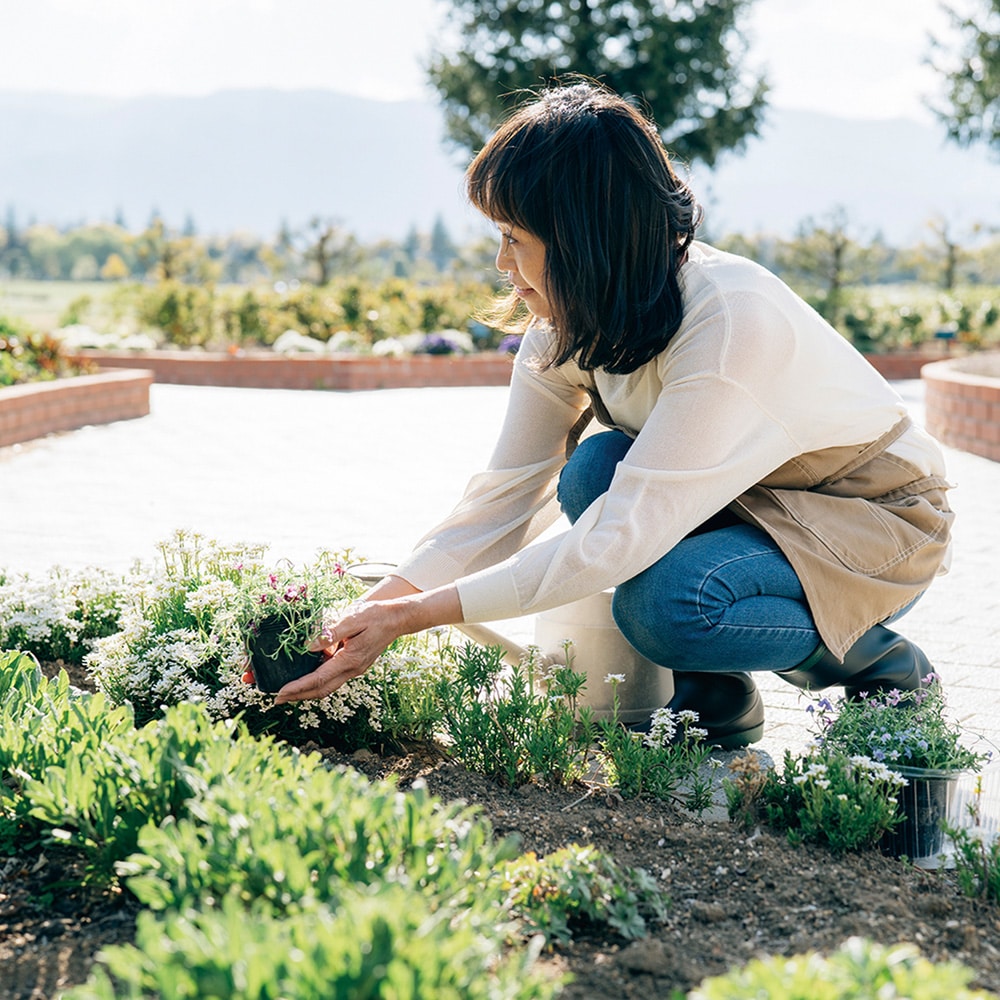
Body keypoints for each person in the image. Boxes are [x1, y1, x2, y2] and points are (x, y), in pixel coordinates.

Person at [275, 81, 953, 749]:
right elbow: (505, 500)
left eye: (514, 237)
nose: (501, 262)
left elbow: (618, 539)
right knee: (594, 468)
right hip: (749, 505)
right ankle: (716, 695)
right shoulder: (564, 327)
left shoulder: (727, 320)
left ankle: (882, 667)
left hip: (872, 519)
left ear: (579, 237)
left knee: (665, 605)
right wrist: (371, 611)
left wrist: (416, 616)